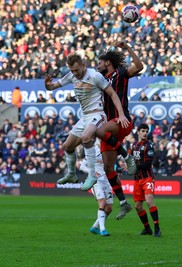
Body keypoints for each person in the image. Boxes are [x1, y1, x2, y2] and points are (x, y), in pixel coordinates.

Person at [44, 52, 129, 192]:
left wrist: (121, 115)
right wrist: (47, 85)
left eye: (77, 69)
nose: (75, 73)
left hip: (98, 115)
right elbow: (53, 86)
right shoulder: (71, 75)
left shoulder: (95, 76)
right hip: (84, 117)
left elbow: (113, 94)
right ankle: (71, 174)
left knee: (86, 137)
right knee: (68, 146)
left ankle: (91, 175)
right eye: (72, 70)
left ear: (84, 65)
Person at [96, 41, 143, 220]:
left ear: (107, 62)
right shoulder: (100, 80)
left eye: (100, 62)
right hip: (111, 130)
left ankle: (126, 156)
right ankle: (124, 203)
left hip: (121, 121)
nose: (98, 65)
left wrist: (128, 48)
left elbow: (139, 66)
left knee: (98, 131)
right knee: (108, 168)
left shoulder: (121, 74)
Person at [131, 123, 161, 237]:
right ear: (138, 132)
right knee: (138, 206)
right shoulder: (134, 145)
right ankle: (147, 228)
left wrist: (132, 167)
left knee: (149, 201)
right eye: (142, 131)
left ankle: (157, 228)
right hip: (137, 179)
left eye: (146, 131)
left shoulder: (149, 146)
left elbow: (147, 163)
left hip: (147, 177)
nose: (144, 133)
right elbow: (130, 159)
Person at [79, 144, 113, 236]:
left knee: (109, 208)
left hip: (107, 181)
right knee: (102, 202)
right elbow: (82, 166)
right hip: (96, 181)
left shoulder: (109, 149)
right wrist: (92, 172)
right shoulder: (93, 150)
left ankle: (94, 227)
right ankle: (102, 229)